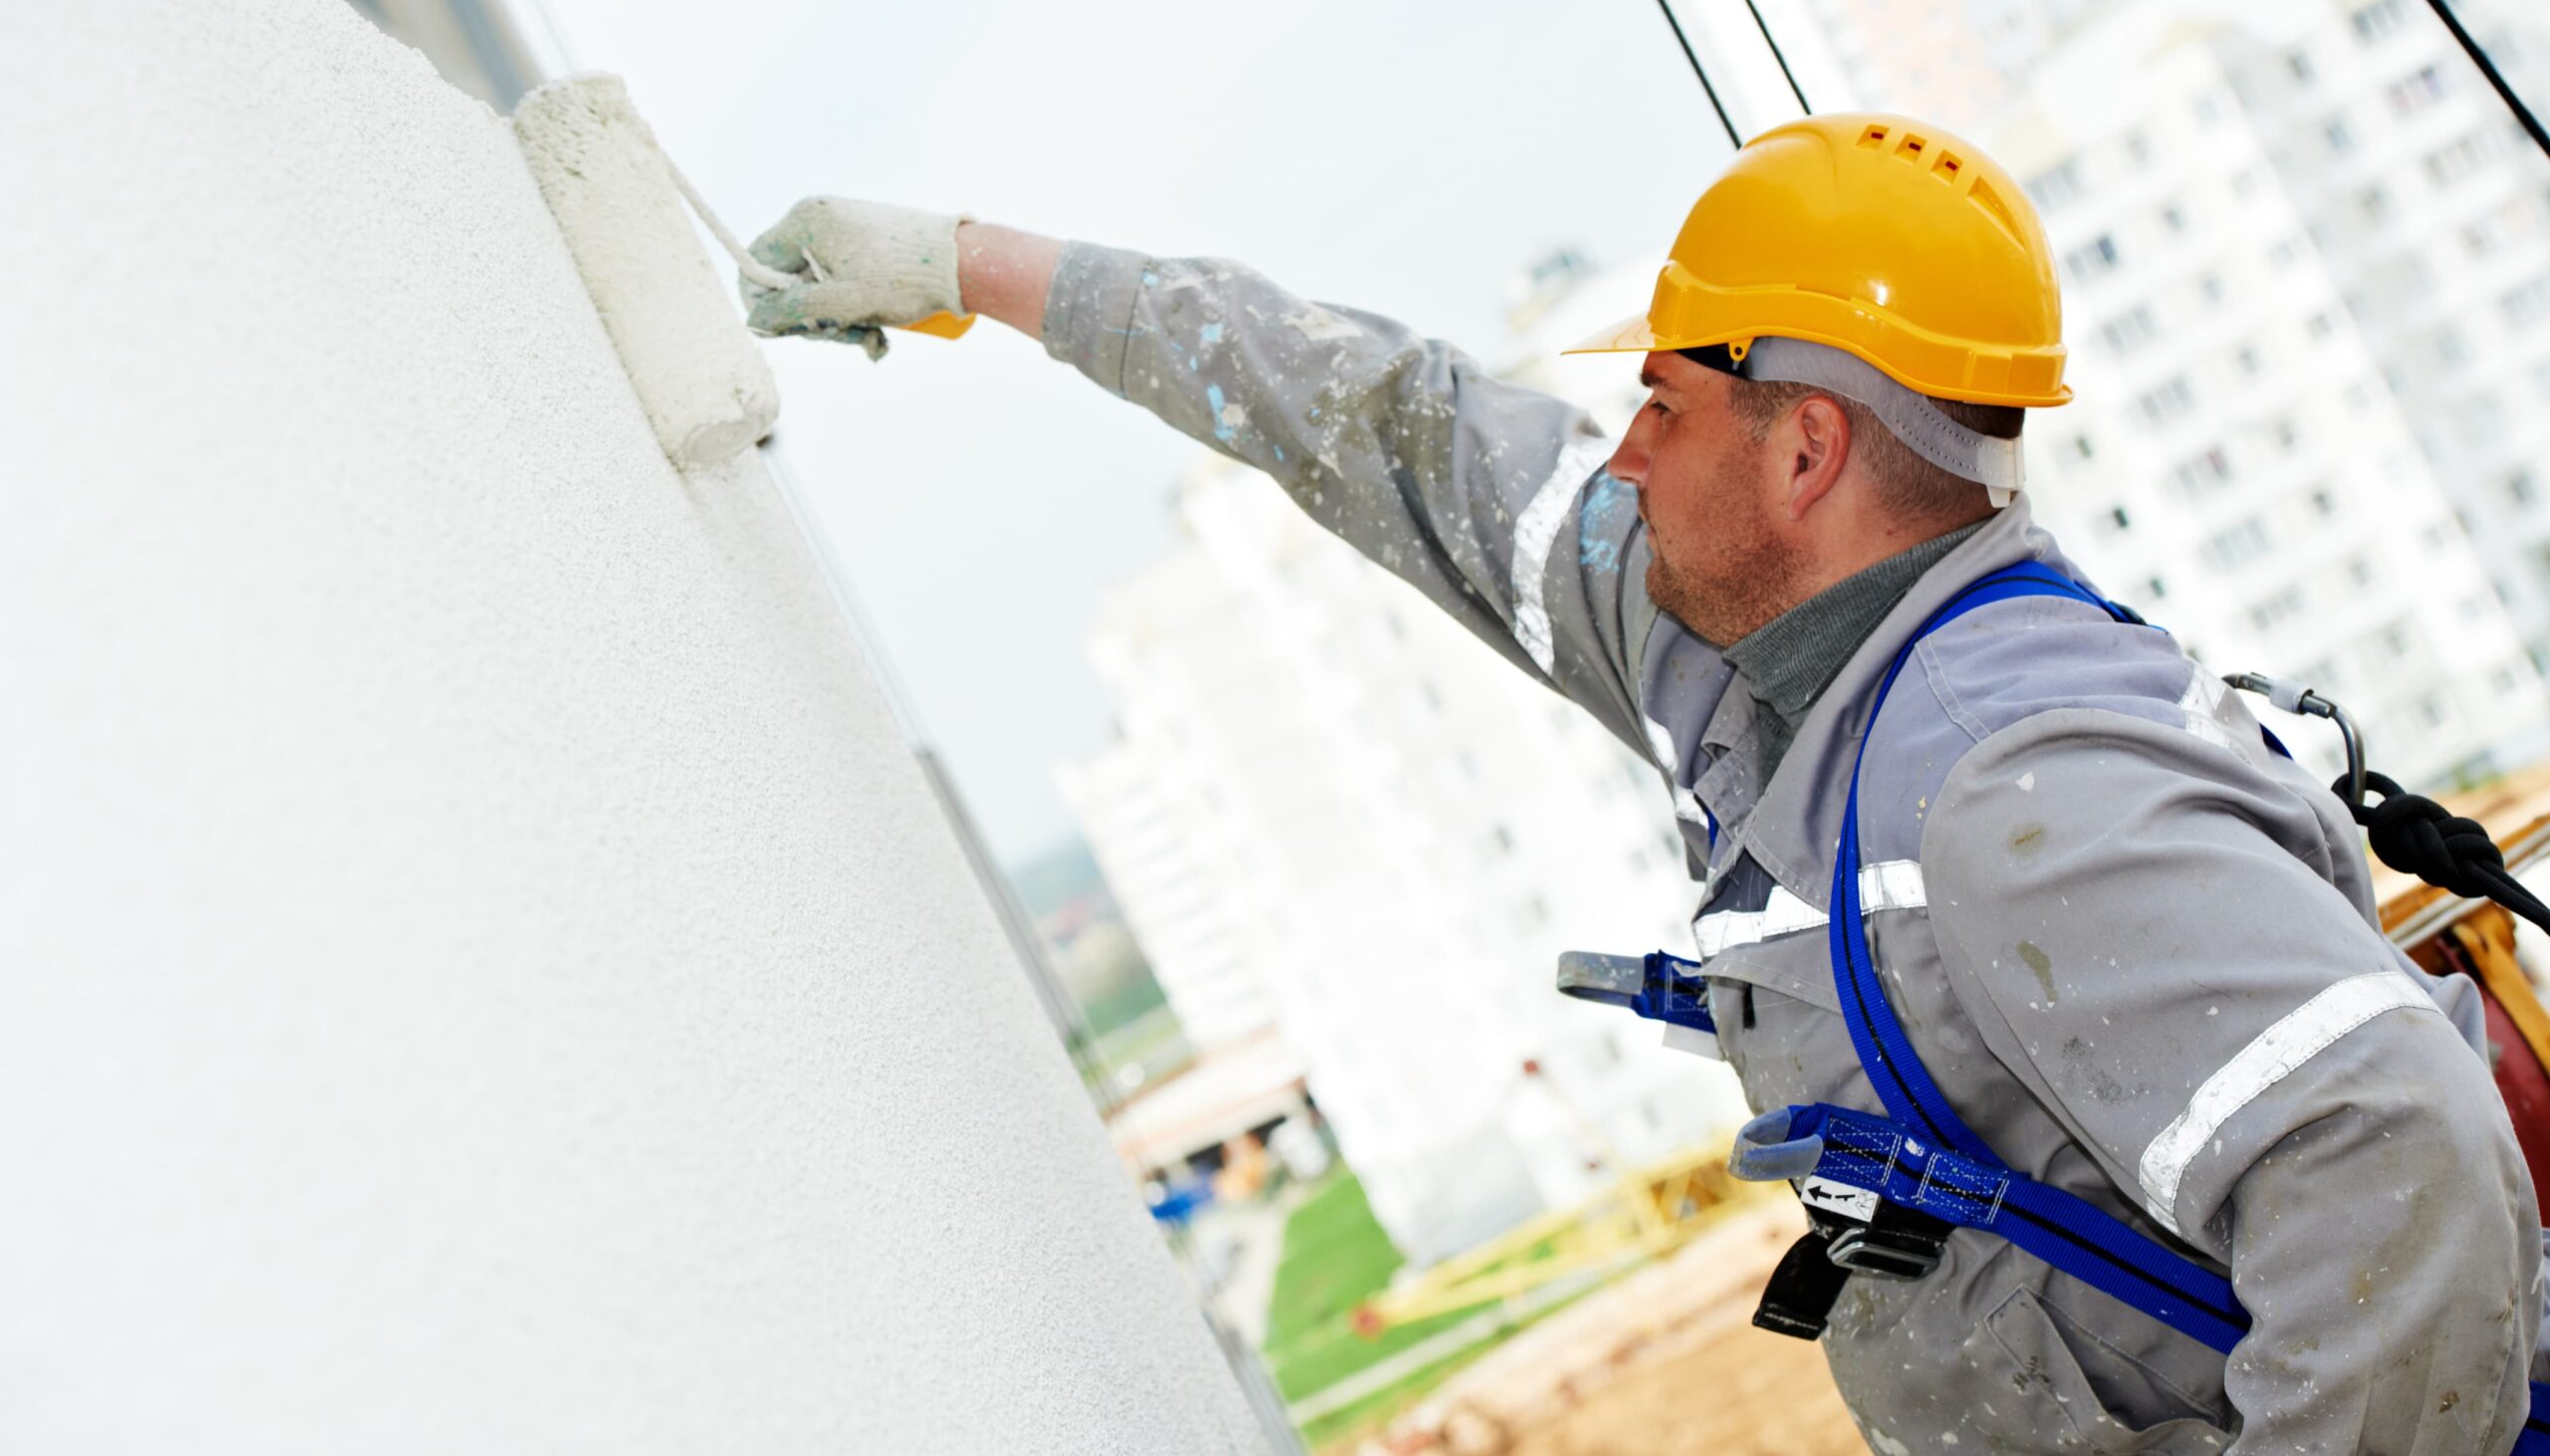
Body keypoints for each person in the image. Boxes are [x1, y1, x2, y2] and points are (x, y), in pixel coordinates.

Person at [745, 112, 2543, 1453]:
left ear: (1807, 447)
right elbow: (1398, 427)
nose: (1619, 451)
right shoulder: (1745, 649)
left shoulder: (2015, 777)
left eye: (1663, 408)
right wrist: (970, 268)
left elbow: (2401, 1178)